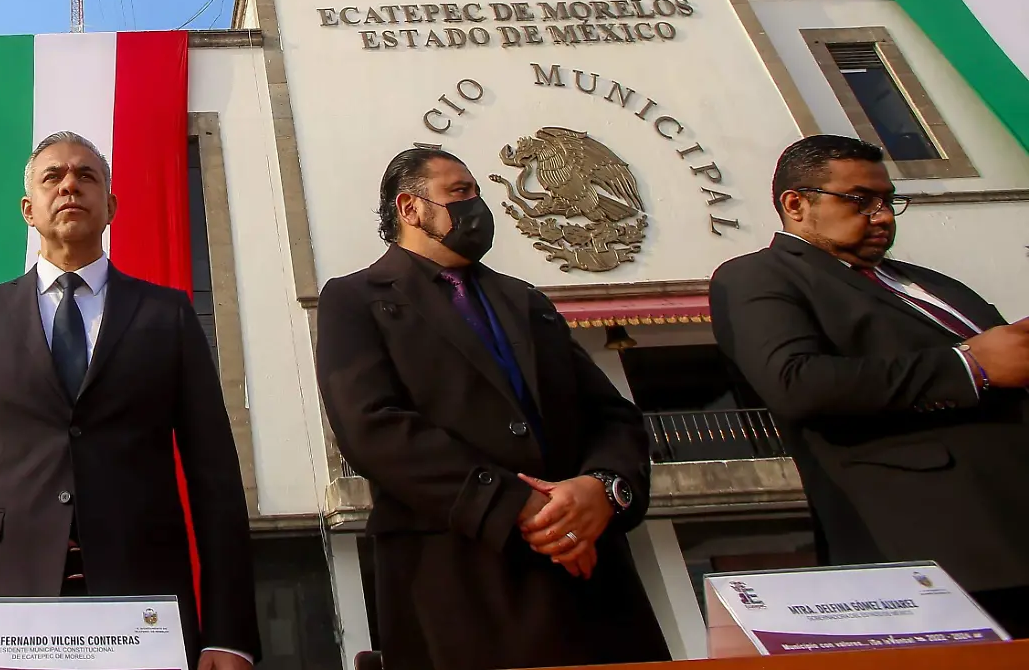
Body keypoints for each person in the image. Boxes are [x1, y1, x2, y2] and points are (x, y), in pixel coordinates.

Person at [0, 133, 260, 670]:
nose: (70, 185)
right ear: (28, 209)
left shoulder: (167, 315)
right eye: (53, 177)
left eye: (86, 176)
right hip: (1, 605)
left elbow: (215, 478)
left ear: (109, 205)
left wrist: (229, 634)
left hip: (142, 605)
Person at [317, 148, 669, 670]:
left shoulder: (525, 299)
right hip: (460, 574)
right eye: (459, 192)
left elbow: (612, 415)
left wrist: (601, 488)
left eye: (478, 192)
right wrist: (518, 506)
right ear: (410, 208)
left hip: (591, 577)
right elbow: (372, 427)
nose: (476, 205)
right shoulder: (355, 299)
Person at [711, 134, 1029, 636]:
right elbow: (796, 382)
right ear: (796, 203)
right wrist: (967, 367)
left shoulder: (929, 283)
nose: (883, 217)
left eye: (888, 201)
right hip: (944, 547)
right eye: (861, 201)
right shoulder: (759, 277)